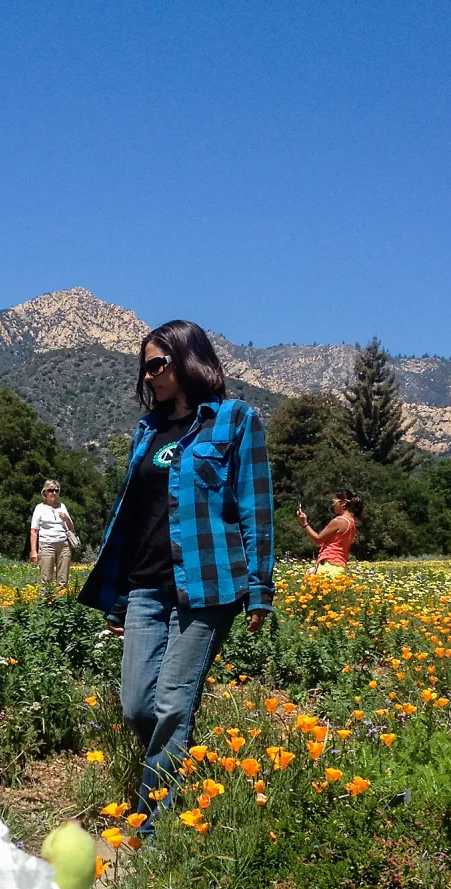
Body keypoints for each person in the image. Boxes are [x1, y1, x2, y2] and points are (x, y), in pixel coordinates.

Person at [79, 319, 274, 831]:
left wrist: (260, 589)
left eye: (157, 364)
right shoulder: (147, 431)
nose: (149, 377)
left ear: (188, 359)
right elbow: (134, 515)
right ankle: (184, 775)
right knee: (137, 705)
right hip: (144, 586)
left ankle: (156, 825)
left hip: (206, 586)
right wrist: (119, 596)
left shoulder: (235, 420)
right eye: (144, 368)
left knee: (171, 704)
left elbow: (257, 508)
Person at [296, 490, 361, 576]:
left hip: (329, 566)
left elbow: (317, 540)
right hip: (340, 567)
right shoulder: (352, 523)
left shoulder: (338, 521)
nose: (332, 505)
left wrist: (304, 524)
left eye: (334, 501)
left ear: (344, 502)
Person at [30, 481, 75, 597]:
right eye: (50, 490)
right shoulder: (39, 508)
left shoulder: (62, 506)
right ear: (45, 492)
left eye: (56, 490)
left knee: (63, 579)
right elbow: (34, 531)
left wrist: (66, 519)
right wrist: (34, 552)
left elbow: (71, 528)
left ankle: (62, 605)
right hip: (47, 545)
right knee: (46, 578)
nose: (53, 493)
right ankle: (45, 604)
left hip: (64, 545)